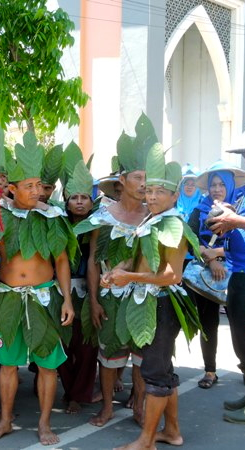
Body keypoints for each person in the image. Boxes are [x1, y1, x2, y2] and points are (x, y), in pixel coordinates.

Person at [0, 131, 75, 446]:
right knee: (6, 363)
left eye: (40, 186)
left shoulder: (53, 217)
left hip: (44, 298)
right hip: (8, 298)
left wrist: (68, 301)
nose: (37, 192)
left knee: (48, 365)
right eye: (29, 186)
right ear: (12, 189)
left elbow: (62, 261)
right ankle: (5, 420)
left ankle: (45, 424)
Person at [107, 142, 200, 450]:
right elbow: (138, 259)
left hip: (162, 304)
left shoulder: (174, 224)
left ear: (175, 195)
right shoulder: (151, 220)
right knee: (163, 370)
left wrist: (130, 277)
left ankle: (146, 441)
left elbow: (172, 276)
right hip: (148, 300)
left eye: (161, 191)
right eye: (149, 190)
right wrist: (117, 271)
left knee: (154, 373)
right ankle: (171, 431)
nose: (153, 196)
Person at [75, 115, 156, 427]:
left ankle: (139, 405)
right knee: (109, 355)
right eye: (138, 177)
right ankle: (108, 406)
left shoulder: (154, 216)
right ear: (122, 180)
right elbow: (94, 261)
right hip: (111, 296)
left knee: (142, 356)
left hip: (144, 295)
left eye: (149, 178)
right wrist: (94, 301)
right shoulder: (104, 216)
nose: (145, 184)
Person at [187, 162, 245, 390]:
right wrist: (211, 259)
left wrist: (220, 253)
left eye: (222, 184)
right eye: (213, 184)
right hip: (206, 274)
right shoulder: (199, 210)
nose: (217, 189)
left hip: (239, 273)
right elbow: (190, 239)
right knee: (208, 323)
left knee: (242, 325)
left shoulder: (240, 210)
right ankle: (210, 370)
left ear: (230, 186)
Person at [209, 135, 245, 424]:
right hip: (239, 273)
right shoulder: (244, 192)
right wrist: (223, 226)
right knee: (241, 338)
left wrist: (234, 221)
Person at [57, 159, 101, 414]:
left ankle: (78, 394)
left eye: (85, 197)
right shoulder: (57, 222)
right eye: (75, 197)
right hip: (59, 290)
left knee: (86, 346)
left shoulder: (97, 225)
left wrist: (94, 298)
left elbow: (95, 260)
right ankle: (70, 391)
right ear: (66, 200)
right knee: (63, 344)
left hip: (87, 288)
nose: (80, 202)